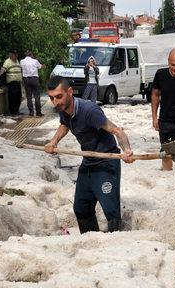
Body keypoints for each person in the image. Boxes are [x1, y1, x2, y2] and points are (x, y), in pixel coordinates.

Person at [44, 76, 134, 233]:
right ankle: (91, 240)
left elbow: (116, 130)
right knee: (81, 208)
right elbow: (64, 125)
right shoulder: (63, 109)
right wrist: (53, 142)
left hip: (107, 161)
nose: (55, 102)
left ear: (70, 92)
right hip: (89, 161)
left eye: (59, 96)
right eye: (52, 98)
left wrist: (127, 151)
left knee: (110, 210)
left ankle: (118, 244)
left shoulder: (89, 111)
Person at [0, 50, 23, 116]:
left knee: (19, 97)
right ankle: (13, 111)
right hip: (11, 82)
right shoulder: (7, 61)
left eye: (16, 54)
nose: (16, 55)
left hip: (18, 82)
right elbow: (3, 68)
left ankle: (17, 110)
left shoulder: (17, 61)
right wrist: (0, 73)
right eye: (14, 54)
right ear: (10, 55)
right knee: (12, 97)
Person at [20, 50, 43, 117]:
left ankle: (31, 113)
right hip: (34, 79)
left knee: (29, 97)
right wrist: (43, 66)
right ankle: (38, 113)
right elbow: (40, 67)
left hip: (26, 80)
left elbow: (21, 68)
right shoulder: (35, 61)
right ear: (31, 55)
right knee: (37, 96)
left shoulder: (22, 61)